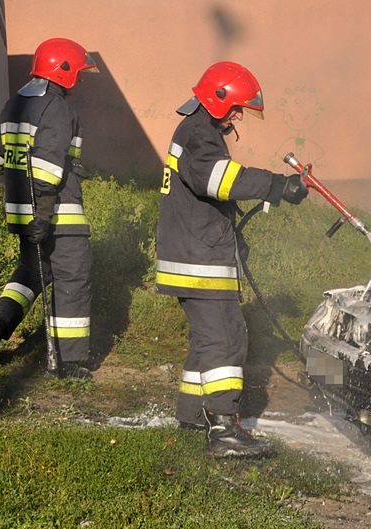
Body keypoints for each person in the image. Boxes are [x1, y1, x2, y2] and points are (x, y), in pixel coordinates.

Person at [156, 61, 308, 459]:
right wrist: (276, 184)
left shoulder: (195, 128)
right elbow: (219, 180)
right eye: (237, 107)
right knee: (225, 338)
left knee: (206, 340)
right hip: (199, 258)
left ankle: (193, 414)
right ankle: (224, 432)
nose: (240, 115)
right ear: (217, 99)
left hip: (195, 252)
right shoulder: (199, 135)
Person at [0, 38, 98, 378]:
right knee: (73, 277)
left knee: (29, 275)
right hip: (58, 214)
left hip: (20, 212)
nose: (81, 80)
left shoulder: (15, 104)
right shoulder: (57, 109)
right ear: (65, 71)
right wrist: (44, 216)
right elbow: (45, 168)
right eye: (79, 72)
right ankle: (67, 361)